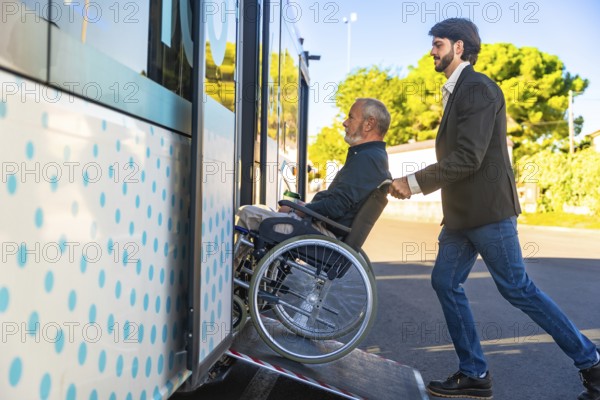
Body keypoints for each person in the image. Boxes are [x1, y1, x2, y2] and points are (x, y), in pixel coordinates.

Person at [390, 18, 599, 400]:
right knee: (445, 281)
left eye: (437, 44)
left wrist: (413, 182)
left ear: (458, 47)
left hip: (487, 212)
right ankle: (474, 373)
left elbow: (468, 157)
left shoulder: (479, 89)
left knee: (518, 289)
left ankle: (592, 362)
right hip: (461, 217)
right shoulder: (456, 92)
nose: (431, 51)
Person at [237, 97, 392, 239]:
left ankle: (237, 268)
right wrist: (305, 207)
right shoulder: (373, 156)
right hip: (326, 230)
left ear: (369, 124)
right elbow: (339, 203)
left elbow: (336, 206)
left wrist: (296, 211)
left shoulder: (367, 159)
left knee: (248, 213)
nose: (344, 122)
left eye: (351, 117)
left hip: (323, 235)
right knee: (262, 211)